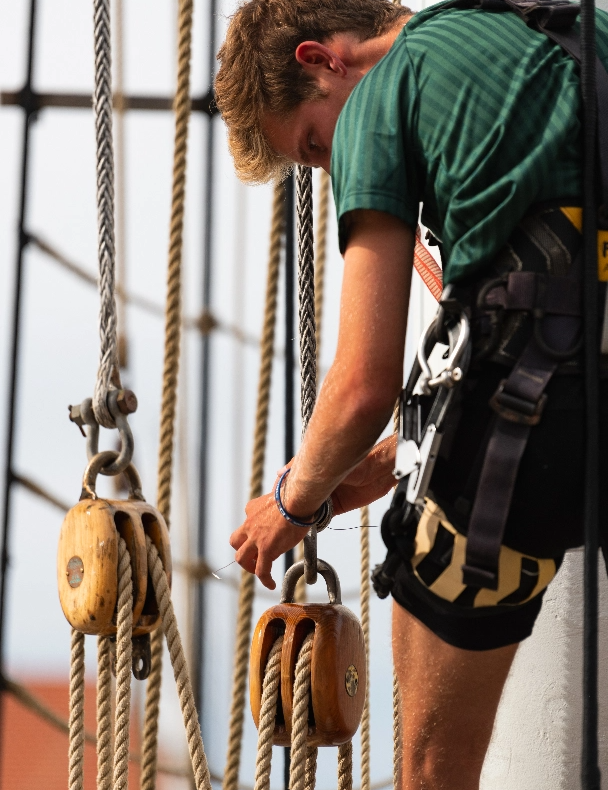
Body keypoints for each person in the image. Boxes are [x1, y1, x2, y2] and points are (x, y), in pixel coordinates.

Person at [215, 1, 608, 787]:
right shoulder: (560, 29)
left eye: (315, 145)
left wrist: (291, 504)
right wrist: (394, 462)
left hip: (527, 422)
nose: (329, 167)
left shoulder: (382, 95)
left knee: (434, 766)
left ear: (321, 59)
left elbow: (364, 384)